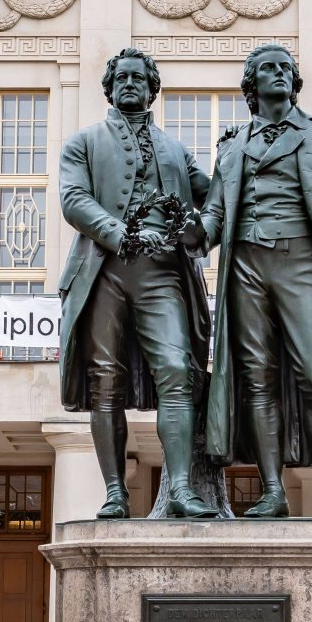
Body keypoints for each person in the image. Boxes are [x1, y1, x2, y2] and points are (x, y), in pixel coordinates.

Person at [201, 42, 312, 519]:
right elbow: (213, 218)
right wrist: (185, 230)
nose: (279, 73)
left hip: (303, 261)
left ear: (295, 82)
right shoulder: (231, 146)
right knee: (257, 378)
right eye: (268, 68)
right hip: (246, 266)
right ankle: (271, 491)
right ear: (251, 84)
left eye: (286, 68)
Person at [58, 47, 215, 519]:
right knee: (105, 381)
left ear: (152, 89)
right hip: (103, 271)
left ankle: (182, 490)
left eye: (139, 78)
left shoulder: (176, 151)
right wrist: (119, 233)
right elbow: (73, 199)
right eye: (122, 78)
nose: (130, 84)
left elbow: (214, 206)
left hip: (163, 274)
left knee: (177, 372)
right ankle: (114, 492)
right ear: (110, 87)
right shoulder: (83, 142)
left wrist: (191, 223)